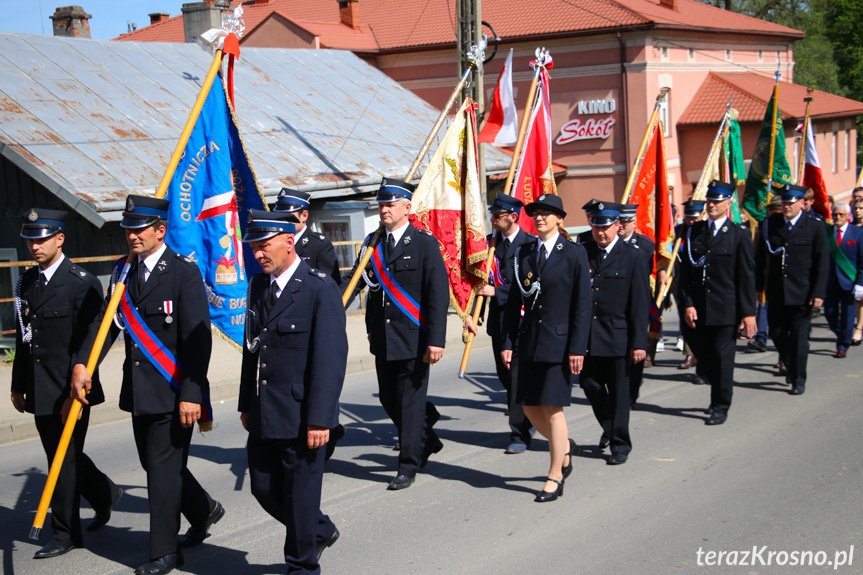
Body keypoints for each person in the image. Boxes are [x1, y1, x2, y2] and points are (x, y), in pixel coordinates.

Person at [72, 195, 222, 575]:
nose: (132, 236)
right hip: (139, 391)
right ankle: (203, 508)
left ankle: (165, 552)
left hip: (173, 392)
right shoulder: (123, 271)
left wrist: (191, 394)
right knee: (156, 465)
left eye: (139, 229)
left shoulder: (183, 273)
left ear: (160, 230)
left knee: (161, 472)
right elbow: (105, 325)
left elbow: (197, 340)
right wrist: (83, 363)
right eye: (128, 230)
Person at [239, 209, 346, 573]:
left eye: (264, 246)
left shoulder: (319, 287)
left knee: (300, 499)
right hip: (264, 410)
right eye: (253, 248)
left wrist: (320, 419)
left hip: (303, 417)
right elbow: (251, 349)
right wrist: (245, 402)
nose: (257, 254)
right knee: (264, 488)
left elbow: (330, 361)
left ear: (288, 242)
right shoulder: (258, 286)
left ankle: (302, 566)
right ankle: (319, 529)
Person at [11, 209, 122, 560]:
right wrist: (17, 384)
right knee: (61, 455)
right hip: (38, 385)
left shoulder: (81, 281)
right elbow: (25, 338)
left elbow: (93, 338)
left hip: (71, 389)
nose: (35, 245)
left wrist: (79, 378)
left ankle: (65, 533)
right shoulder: (26, 282)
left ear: (60, 239)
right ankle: (104, 493)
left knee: (62, 461)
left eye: (42, 238)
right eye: (30, 238)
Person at [347, 178, 449, 490]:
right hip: (382, 338)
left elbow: (437, 295)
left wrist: (436, 340)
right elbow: (355, 281)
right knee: (390, 400)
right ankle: (427, 439)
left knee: (409, 403)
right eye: (381, 204)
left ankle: (408, 465)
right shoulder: (372, 244)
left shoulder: (424, 244)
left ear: (407, 207)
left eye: (390, 204)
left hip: (414, 338)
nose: (384, 209)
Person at [501, 194, 591, 501]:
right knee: (527, 405)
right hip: (528, 340)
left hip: (560, 342)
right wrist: (508, 341)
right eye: (536, 213)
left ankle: (555, 474)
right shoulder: (524, 252)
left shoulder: (575, 253)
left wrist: (577, 347)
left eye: (546, 213)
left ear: (559, 219)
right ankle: (564, 448)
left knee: (552, 408)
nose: (539, 218)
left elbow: (582, 305)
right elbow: (515, 301)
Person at [677, 181, 756, 425]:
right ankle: (717, 391)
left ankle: (720, 405)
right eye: (709, 200)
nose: (711, 205)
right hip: (698, 308)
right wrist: (688, 303)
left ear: (729, 203)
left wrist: (748, 313)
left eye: (717, 201)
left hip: (725, 307)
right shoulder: (693, 232)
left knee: (723, 358)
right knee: (704, 354)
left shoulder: (739, 234)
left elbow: (746, 276)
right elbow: (686, 275)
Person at [465, 193, 535, 454]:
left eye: (498, 215)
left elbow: (532, 285)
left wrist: (499, 292)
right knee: (506, 376)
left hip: (522, 321)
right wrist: (472, 314)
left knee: (516, 377)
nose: (492, 219)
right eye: (492, 215)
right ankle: (528, 415)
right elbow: (477, 283)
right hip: (499, 322)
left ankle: (519, 433)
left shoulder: (530, 245)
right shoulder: (489, 245)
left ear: (513, 217)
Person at [579, 200, 649, 462]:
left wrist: (639, 343)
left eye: (606, 227)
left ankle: (620, 445)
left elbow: (640, 304)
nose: (601, 232)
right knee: (589, 384)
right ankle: (610, 427)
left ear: (617, 226)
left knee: (620, 395)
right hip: (588, 338)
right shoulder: (582, 252)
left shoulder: (634, 257)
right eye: (596, 226)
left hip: (619, 338)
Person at [755, 184, 829, 396]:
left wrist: (818, 293)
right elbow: (760, 258)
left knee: (799, 338)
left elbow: (822, 263)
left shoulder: (814, 226)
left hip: (803, 292)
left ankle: (798, 378)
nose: (786, 206)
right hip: (776, 291)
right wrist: (758, 286)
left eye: (791, 202)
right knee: (777, 333)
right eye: (784, 202)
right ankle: (789, 362)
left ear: (802, 204)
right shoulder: (770, 224)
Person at [617, 203, 662, 402]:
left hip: (636, 300)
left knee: (635, 346)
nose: (621, 226)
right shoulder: (609, 243)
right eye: (618, 221)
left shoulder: (644, 245)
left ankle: (632, 389)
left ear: (634, 223)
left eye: (625, 222)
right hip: (614, 304)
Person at [273, 188, 343, 286]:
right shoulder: (275, 243)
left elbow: (330, 286)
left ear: (304, 215)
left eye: (288, 216)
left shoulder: (319, 245)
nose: (283, 221)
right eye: (280, 216)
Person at [823, 202, 863, 357]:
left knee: (848, 315)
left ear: (848, 216)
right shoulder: (826, 232)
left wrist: (860, 283)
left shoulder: (857, 233)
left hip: (850, 282)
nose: (837, 217)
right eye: (834, 214)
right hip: (830, 282)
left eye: (840, 214)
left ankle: (843, 345)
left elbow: (862, 260)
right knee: (829, 313)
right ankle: (842, 334)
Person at [675, 199, 705, 370]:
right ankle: (691, 352)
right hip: (682, 281)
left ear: (702, 214)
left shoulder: (705, 232)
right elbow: (667, 251)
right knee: (686, 320)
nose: (691, 221)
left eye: (695, 217)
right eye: (688, 217)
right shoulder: (678, 232)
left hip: (702, 283)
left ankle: (699, 357)